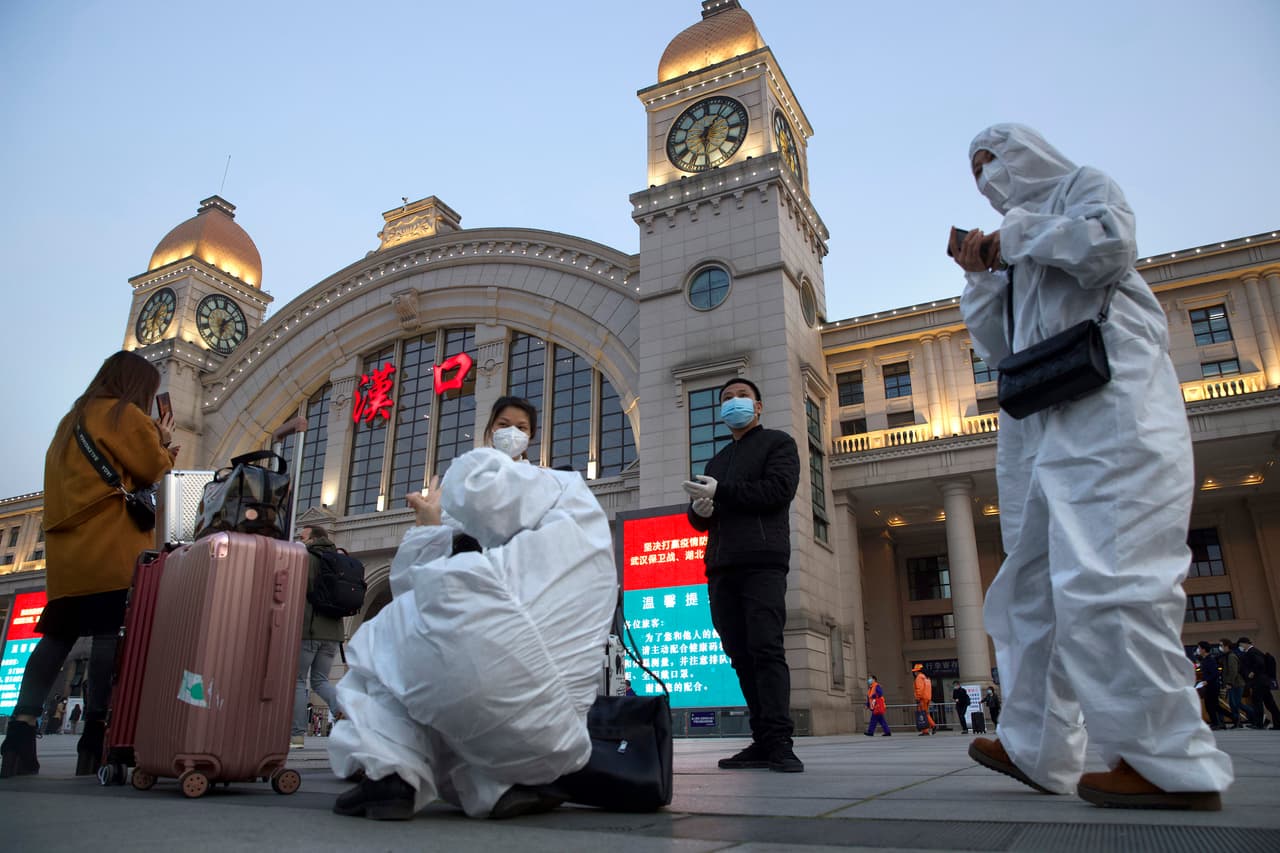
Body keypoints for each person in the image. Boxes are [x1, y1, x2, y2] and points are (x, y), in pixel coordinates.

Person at [953, 124, 1232, 810]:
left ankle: (1167, 759)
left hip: (1111, 402)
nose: (989, 180)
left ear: (1027, 152)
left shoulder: (1083, 189)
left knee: (1109, 571)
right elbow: (998, 341)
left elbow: (1109, 246)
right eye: (976, 173)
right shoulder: (1011, 243)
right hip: (1041, 419)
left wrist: (1016, 236)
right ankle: (1037, 744)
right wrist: (985, 275)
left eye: (994, 162)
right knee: (1033, 587)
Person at [327, 447, 617, 820]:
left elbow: (474, 483)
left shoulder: (553, 491)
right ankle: (495, 788)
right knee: (449, 693)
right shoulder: (586, 552)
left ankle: (390, 775)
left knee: (382, 640)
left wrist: (432, 521)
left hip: (485, 694)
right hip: (558, 743)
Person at [0, 351, 175, 779]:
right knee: (107, 636)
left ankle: (19, 737)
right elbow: (154, 469)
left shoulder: (70, 421)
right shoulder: (125, 415)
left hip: (68, 549)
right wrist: (164, 439)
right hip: (109, 543)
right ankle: (95, 737)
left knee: (56, 637)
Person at [683, 377, 803, 774]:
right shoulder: (716, 462)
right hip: (721, 564)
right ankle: (762, 739)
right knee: (739, 655)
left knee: (766, 649)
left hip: (763, 560)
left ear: (759, 405)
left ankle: (781, 742)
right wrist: (698, 512)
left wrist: (722, 494)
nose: (734, 403)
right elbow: (706, 515)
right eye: (727, 399)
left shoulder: (778, 444)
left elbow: (777, 492)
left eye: (742, 397)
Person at [291, 525, 348, 749]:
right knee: (320, 680)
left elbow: (297, 590)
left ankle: (296, 736)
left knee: (298, 680)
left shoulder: (308, 559)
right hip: (333, 634)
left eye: (303, 537)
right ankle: (341, 709)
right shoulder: (340, 559)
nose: (301, 540)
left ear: (314, 539)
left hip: (310, 630)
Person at [1237, 638, 1279, 730]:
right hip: (1263, 681)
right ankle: (1277, 723)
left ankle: (1259, 724)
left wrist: (1252, 672)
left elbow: (1260, 663)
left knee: (1257, 702)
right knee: (1270, 703)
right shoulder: (1254, 651)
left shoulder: (1252, 651)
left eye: (1240, 645)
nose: (1240, 647)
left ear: (1245, 644)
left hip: (1258, 682)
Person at [1194, 642, 1223, 730]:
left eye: (1199, 648)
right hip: (1208, 685)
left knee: (1212, 705)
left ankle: (1217, 723)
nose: (1198, 650)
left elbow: (1215, 673)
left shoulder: (1210, 659)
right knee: (1209, 705)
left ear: (1203, 649)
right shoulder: (1205, 659)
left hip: (1213, 685)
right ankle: (1215, 722)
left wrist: (1207, 680)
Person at [1220, 638, 1245, 729]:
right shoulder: (1226, 656)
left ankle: (1253, 715)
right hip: (1233, 684)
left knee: (1235, 703)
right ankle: (1237, 722)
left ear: (1227, 646)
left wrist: (1229, 682)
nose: (1221, 647)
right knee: (1233, 703)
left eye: (1221, 645)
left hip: (1236, 684)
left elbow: (1233, 671)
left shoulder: (1231, 656)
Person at [912, 665, 935, 735]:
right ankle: (927, 729)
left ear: (918, 671)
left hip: (922, 698)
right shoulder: (926, 678)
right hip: (927, 698)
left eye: (915, 671)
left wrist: (918, 698)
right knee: (925, 713)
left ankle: (931, 727)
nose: (914, 673)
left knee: (923, 714)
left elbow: (919, 689)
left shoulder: (919, 678)